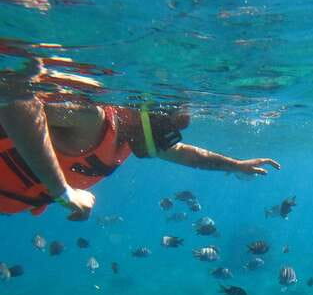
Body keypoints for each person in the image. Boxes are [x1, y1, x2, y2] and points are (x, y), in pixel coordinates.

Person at [0, 89, 280, 220]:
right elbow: (16, 103)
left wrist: (236, 165)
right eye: (166, 127)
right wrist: (62, 193)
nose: (166, 140)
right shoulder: (94, 119)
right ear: (146, 116)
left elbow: (187, 155)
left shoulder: (129, 138)